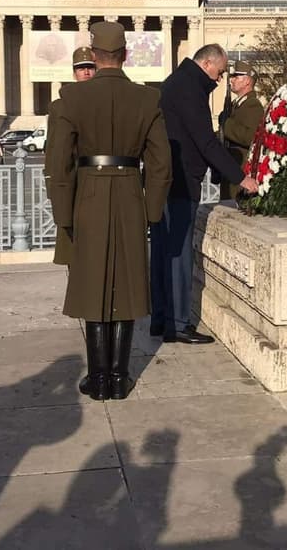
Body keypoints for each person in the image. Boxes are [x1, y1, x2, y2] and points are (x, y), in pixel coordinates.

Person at [45, 22, 171, 400]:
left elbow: (58, 165)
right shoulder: (147, 100)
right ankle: (120, 376)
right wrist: (151, 210)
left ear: (94, 56)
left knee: (91, 282)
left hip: (88, 197)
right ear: (126, 56)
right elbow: (161, 164)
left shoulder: (69, 100)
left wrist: (64, 216)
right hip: (131, 193)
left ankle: (97, 377)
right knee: (128, 282)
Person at [150, 44, 259, 344]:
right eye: (221, 71)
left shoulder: (177, 81)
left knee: (161, 250)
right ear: (207, 63)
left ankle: (161, 318)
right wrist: (241, 177)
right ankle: (178, 324)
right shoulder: (189, 89)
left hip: (163, 178)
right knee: (178, 254)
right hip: (180, 180)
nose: (221, 78)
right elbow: (206, 142)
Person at [47, 46, 97, 268]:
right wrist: (53, 186)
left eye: (90, 68)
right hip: (71, 181)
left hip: (96, 178)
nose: (86, 73)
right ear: (74, 73)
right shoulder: (59, 107)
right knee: (72, 243)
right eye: (81, 69)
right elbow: (54, 151)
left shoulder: (103, 102)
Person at [218, 60, 264, 200]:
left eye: (236, 77)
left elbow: (249, 137)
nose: (232, 80)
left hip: (241, 169)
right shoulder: (236, 105)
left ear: (247, 81)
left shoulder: (252, 105)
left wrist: (225, 124)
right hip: (231, 167)